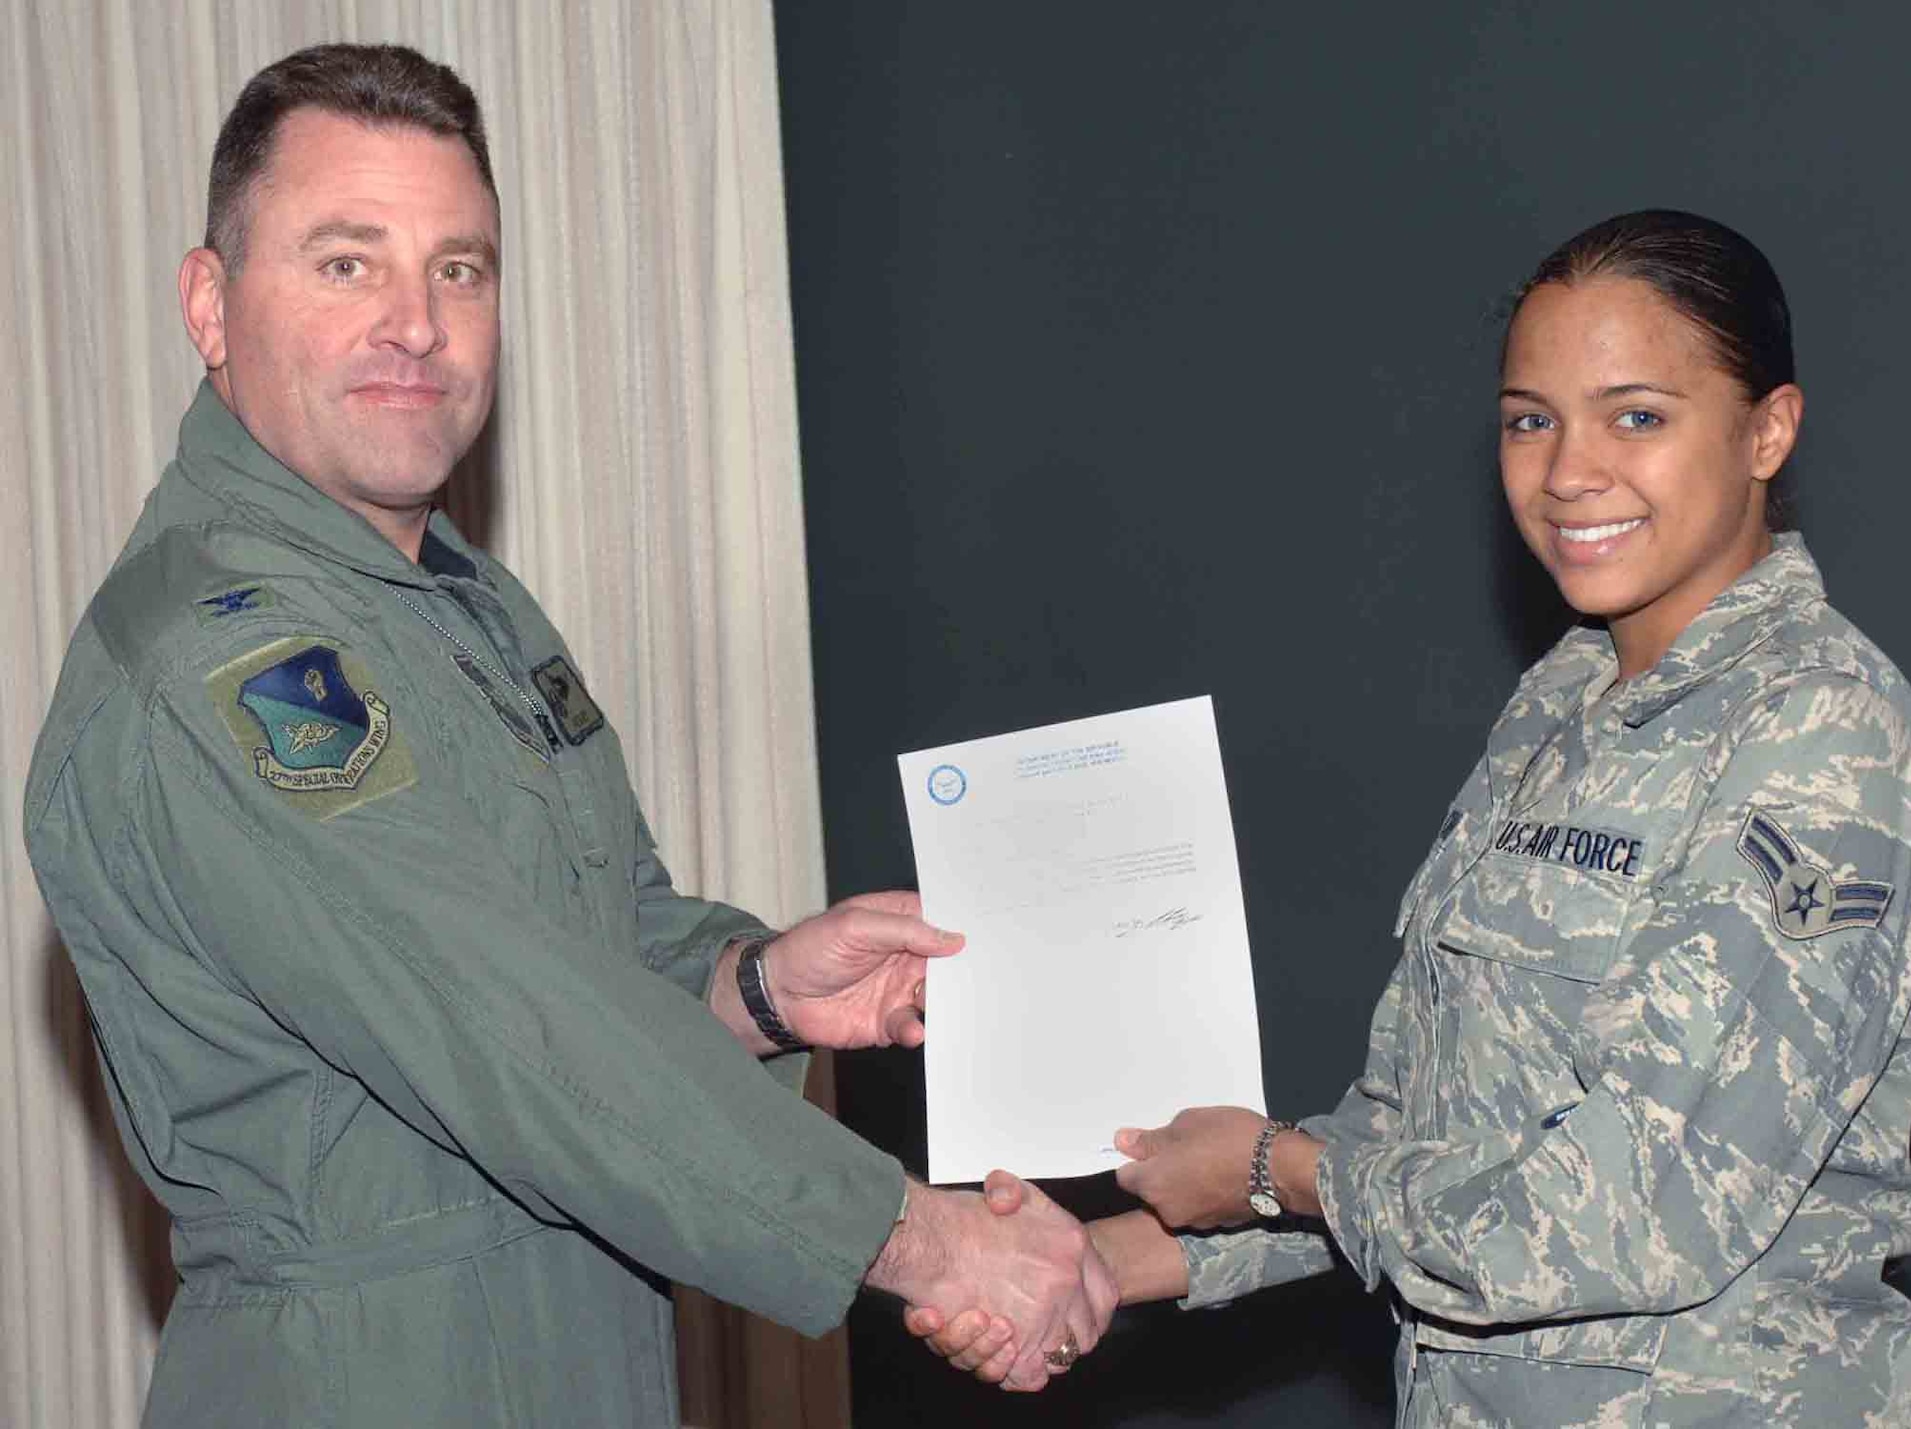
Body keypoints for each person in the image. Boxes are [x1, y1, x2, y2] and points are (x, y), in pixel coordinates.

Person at [23, 43, 1112, 1427]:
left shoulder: (458, 597)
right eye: (346, 264)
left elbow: (586, 942)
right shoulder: (223, 654)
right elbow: (515, 1024)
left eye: (458, 269)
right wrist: (936, 1244)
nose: (415, 322)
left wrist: (760, 984)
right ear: (211, 303)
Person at [910, 210, 1911, 1426]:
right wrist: (1102, 1263)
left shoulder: (1818, 743)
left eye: (1635, 415)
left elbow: (1633, 1214)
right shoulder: (1566, 699)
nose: (1567, 471)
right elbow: (1427, 1135)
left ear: (1765, 430)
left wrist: (1277, 1170)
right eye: (1529, 419)